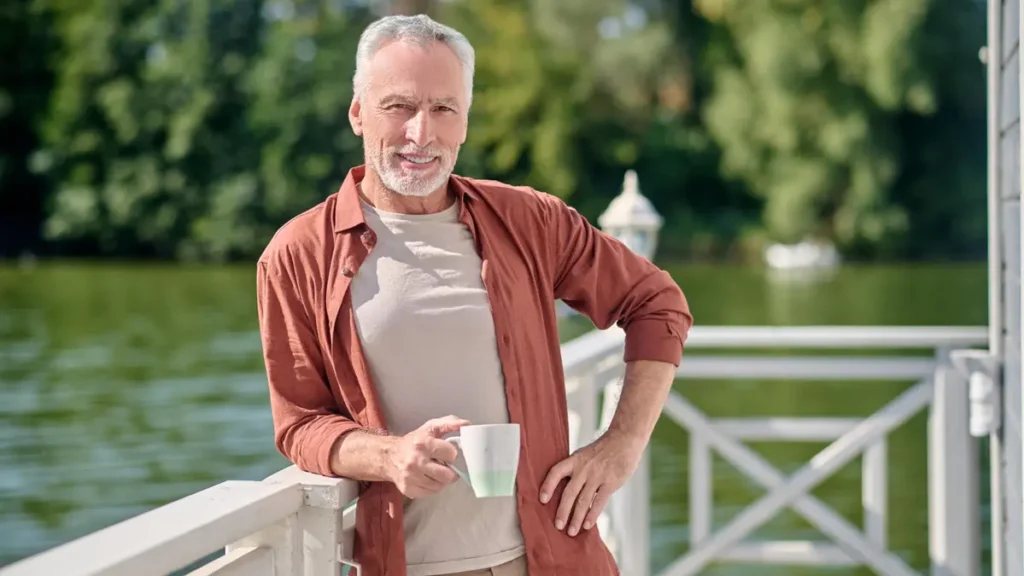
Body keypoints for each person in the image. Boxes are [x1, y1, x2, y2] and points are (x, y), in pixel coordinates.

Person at [255, 13, 692, 576]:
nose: (422, 134)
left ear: (465, 119)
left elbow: (657, 304)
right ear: (358, 112)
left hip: (555, 559)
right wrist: (388, 456)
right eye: (399, 106)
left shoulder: (530, 220)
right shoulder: (298, 254)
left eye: (444, 109)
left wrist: (621, 446)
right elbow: (300, 424)